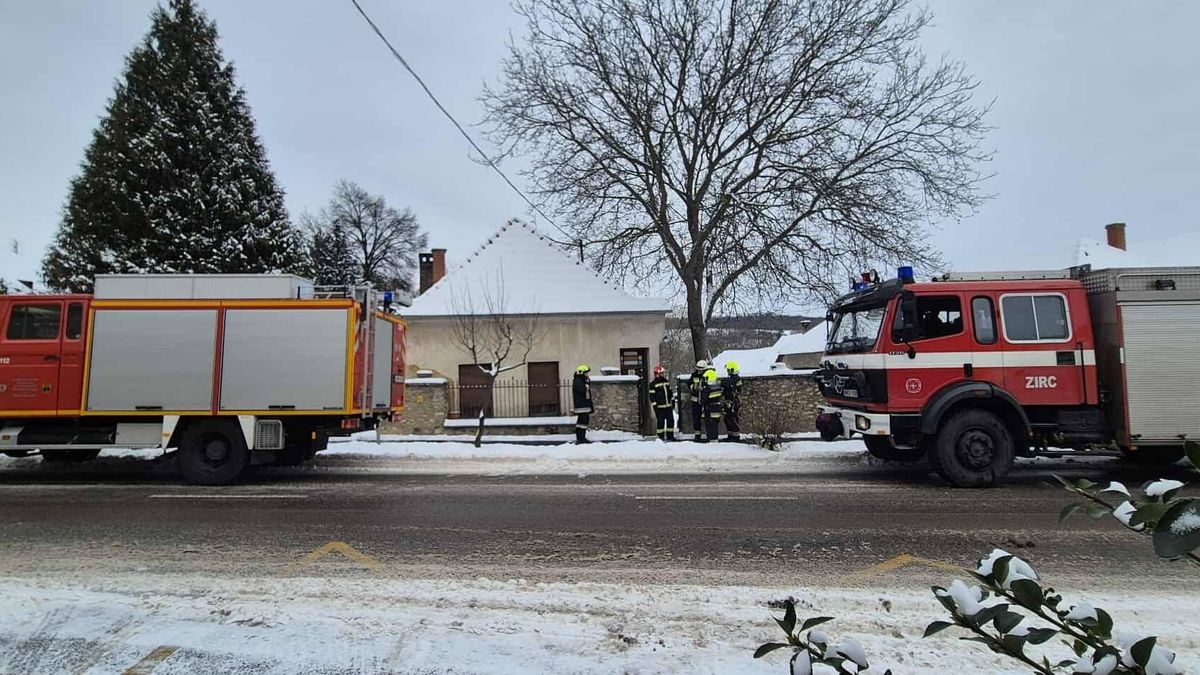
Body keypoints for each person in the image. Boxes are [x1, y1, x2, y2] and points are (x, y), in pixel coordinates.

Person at [648, 364, 676, 441]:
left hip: (668, 406)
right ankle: (661, 437)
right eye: (661, 373)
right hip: (660, 408)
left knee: (671, 422)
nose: (662, 375)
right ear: (657, 374)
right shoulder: (653, 384)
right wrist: (655, 407)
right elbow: (652, 397)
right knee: (661, 423)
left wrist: (672, 401)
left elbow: (670, 392)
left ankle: (670, 436)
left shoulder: (666, 382)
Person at [700, 367, 723, 442]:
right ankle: (715, 439)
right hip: (717, 409)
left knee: (710, 425)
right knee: (715, 425)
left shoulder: (707, 388)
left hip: (709, 409)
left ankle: (711, 439)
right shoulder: (718, 387)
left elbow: (703, 400)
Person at [572, 364, 593, 444]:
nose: (587, 374)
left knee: (583, 421)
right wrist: (587, 384)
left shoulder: (581, 380)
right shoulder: (578, 381)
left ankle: (582, 437)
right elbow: (583, 390)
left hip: (584, 404)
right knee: (583, 420)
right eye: (586, 373)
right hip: (581, 405)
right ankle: (580, 438)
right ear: (581, 373)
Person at [722, 361, 743, 441]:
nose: (727, 371)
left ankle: (735, 436)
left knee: (732, 418)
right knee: (727, 419)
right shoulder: (731, 378)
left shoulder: (736, 378)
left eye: (728, 370)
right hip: (728, 401)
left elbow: (727, 384)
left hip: (733, 402)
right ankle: (730, 435)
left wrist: (721, 382)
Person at [688, 360, 708, 442]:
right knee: (696, 418)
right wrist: (693, 387)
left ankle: (709, 434)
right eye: (698, 369)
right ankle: (697, 435)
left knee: (707, 418)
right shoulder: (694, 375)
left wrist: (704, 389)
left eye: (701, 369)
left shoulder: (707, 375)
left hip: (705, 401)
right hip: (695, 401)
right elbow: (689, 383)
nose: (699, 371)